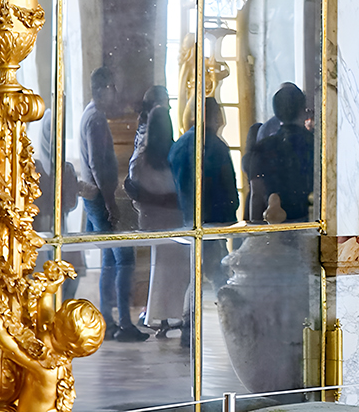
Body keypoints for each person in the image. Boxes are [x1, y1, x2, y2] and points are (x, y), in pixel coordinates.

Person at [76, 66, 145, 341]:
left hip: (94, 195)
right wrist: (109, 202)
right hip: (99, 197)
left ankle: (108, 319)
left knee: (109, 260)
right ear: (104, 89)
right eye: (112, 87)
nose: (115, 93)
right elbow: (96, 163)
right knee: (123, 258)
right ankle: (123, 322)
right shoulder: (95, 119)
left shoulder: (91, 115)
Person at [170, 97, 239, 347]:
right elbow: (228, 187)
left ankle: (189, 324)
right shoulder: (216, 146)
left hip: (186, 220)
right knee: (218, 273)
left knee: (195, 275)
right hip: (212, 220)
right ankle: (232, 321)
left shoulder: (179, 146)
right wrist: (231, 214)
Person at [127, 104, 188, 336]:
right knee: (179, 272)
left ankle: (159, 318)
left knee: (158, 270)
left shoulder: (143, 158)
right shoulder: (175, 154)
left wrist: (151, 198)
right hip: (175, 217)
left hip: (152, 218)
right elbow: (181, 185)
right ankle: (179, 314)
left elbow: (133, 179)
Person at [0, 298, 105, 412]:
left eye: (55, 329)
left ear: (68, 347)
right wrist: (49, 289)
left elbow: (12, 349)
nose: (51, 322)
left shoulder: (47, 369)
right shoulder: (61, 358)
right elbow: (46, 315)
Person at [244, 83, 315, 224]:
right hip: (310, 225)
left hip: (273, 230)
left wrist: (256, 233)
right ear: (303, 109)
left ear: (276, 112)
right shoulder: (314, 144)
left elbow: (257, 195)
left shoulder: (263, 147)